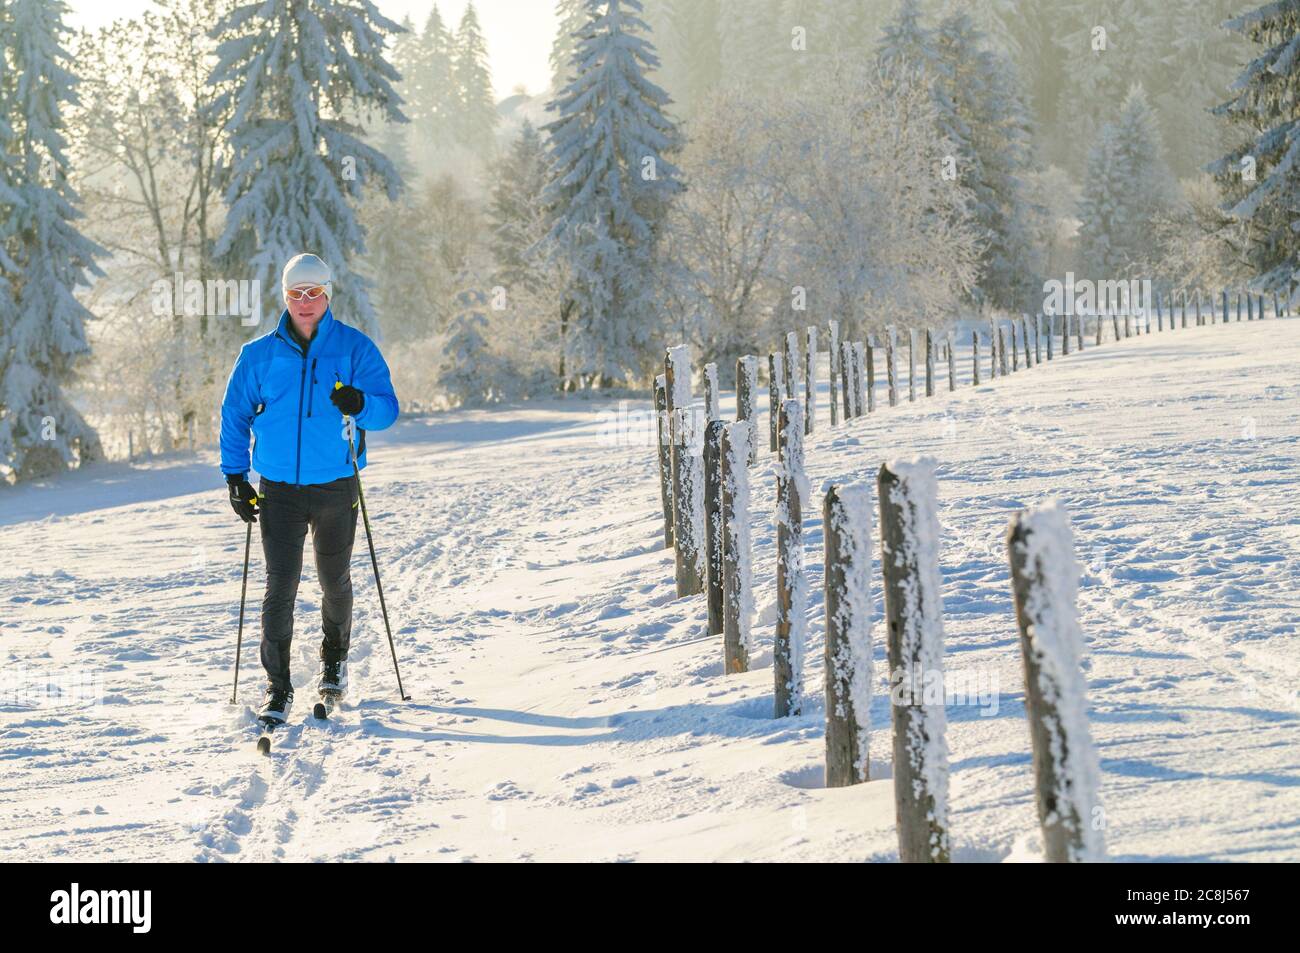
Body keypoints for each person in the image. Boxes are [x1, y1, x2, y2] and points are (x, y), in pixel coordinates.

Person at [219, 253, 399, 723]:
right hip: (278, 489)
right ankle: (277, 688)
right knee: (280, 586)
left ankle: (334, 661)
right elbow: (235, 416)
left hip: (338, 485)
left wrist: (360, 404)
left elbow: (387, 410)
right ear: (284, 296)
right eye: (296, 293)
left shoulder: (354, 349)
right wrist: (236, 477)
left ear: (327, 294)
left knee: (333, 581)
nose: (305, 301)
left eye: (314, 292)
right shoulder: (258, 355)